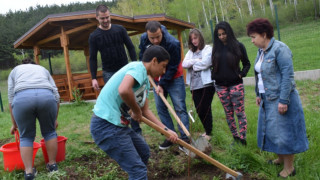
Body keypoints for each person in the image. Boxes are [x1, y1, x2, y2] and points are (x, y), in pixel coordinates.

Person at [90, 45, 178, 180]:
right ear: (154, 61)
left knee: (143, 152)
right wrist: (136, 111)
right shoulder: (137, 68)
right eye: (163, 66)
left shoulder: (145, 81)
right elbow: (124, 90)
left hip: (118, 126)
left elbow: (145, 111)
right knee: (138, 171)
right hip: (105, 125)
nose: (164, 71)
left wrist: (166, 130)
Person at [247, 18, 309, 178]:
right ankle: (280, 159)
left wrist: (283, 100)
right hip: (267, 98)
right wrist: (258, 94)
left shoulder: (280, 49)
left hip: (281, 99)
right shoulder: (261, 51)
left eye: (254, 37)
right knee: (273, 131)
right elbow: (259, 75)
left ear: (264, 34)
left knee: (285, 133)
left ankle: (290, 168)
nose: (252, 41)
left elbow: (288, 77)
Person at [138, 21, 190, 151]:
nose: (155, 40)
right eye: (152, 38)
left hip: (174, 77)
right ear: (147, 34)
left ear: (161, 31)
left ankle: (184, 140)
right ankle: (170, 136)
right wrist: (154, 80)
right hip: (156, 78)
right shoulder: (144, 39)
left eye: (158, 37)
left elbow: (173, 66)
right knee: (161, 108)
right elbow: (142, 57)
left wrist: (162, 83)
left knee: (179, 107)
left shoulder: (172, 43)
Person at [8, 58, 60, 180]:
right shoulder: (43, 69)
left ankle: (29, 172)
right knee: (49, 132)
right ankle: (52, 165)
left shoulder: (15, 70)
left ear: (23, 65)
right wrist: (54, 119)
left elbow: (11, 98)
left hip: (22, 98)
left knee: (25, 136)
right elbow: (56, 95)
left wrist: (14, 123)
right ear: (34, 65)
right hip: (46, 96)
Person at [211, 21, 251, 145]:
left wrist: (241, 74)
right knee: (228, 113)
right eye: (219, 35)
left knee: (239, 112)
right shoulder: (216, 48)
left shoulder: (239, 46)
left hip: (235, 84)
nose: (222, 37)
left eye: (224, 34)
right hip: (220, 85)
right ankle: (235, 138)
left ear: (229, 32)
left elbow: (247, 64)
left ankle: (243, 138)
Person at [89, 4, 137, 88]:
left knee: (129, 96)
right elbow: (93, 58)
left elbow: (131, 47)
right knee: (114, 100)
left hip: (125, 69)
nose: (105, 20)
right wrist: (93, 78)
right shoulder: (94, 36)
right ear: (97, 17)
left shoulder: (120, 29)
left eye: (107, 17)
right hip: (109, 73)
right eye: (102, 18)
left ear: (110, 15)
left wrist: (134, 65)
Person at [182, 29, 215, 141]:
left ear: (200, 37)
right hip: (194, 86)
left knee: (205, 108)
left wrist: (194, 65)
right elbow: (184, 64)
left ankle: (209, 132)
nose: (194, 41)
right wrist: (197, 60)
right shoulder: (191, 52)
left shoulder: (207, 48)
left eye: (195, 38)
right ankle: (207, 130)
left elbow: (206, 63)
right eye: (192, 39)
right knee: (199, 109)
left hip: (206, 84)